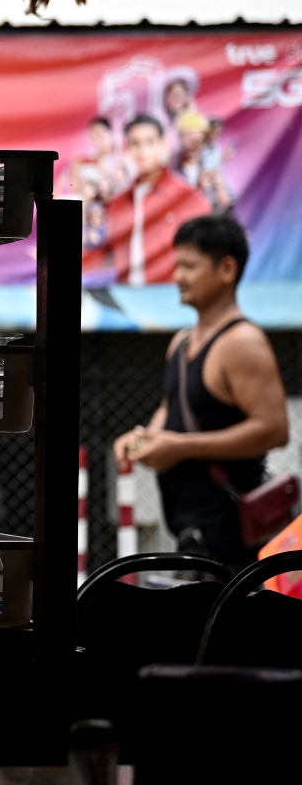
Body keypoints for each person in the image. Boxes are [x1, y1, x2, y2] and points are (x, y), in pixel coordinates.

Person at [113, 215, 289, 566]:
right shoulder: (181, 343)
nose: (178, 277)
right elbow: (170, 409)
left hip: (235, 545)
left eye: (189, 266)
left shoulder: (242, 342)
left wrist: (181, 447)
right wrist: (142, 439)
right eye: (177, 265)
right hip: (192, 536)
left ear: (227, 269)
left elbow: (274, 430)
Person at [82, 114, 210, 285]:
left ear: (163, 145)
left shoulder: (186, 198)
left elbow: (207, 252)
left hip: (171, 294)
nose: (143, 151)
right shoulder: (118, 204)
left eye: (150, 142)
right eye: (135, 144)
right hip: (126, 296)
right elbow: (108, 255)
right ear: (127, 149)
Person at [70, 116, 132, 250]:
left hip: (115, 208)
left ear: (110, 133)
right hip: (91, 209)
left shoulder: (122, 158)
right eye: (94, 136)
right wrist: (76, 172)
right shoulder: (86, 161)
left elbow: (125, 186)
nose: (98, 140)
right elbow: (77, 188)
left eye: (101, 135)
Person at [175, 109, 234, 213]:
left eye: (198, 140)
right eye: (189, 137)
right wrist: (199, 188)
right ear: (180, 138)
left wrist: (220, 190)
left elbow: (227, 203)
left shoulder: (209, 167)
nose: (194, 144)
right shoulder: (173, 169)